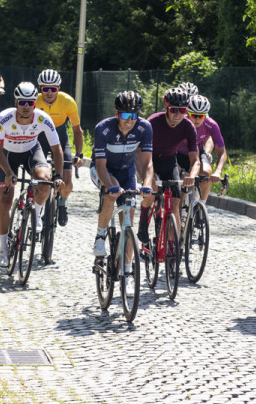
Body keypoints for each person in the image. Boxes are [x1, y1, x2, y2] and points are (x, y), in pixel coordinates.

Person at [90, 91, 153, 297]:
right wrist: (110, 187)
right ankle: (100, 236)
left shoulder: (145, 128)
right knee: (113, 193)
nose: (129, 121)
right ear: (117, 114)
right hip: (104, 169)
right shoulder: (103, 128)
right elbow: (100, 165)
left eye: (133, 116)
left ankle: (126, 269)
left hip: (127, 171)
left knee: (129, 221)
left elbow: (147, 163)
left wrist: (147, 184)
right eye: (125, 116)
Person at [0, 82, 63, 267]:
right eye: (22, 102)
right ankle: (3, 248)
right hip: (8, 155)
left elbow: (56, 149)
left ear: (35, 103)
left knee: (44, 181)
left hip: (32, 150)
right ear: (16, 102)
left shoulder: (43, 119)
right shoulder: (4, 119)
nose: (26, 106)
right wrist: (8, 172)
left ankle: (37, 214)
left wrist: (59, 176)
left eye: (30, 102)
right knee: (6, 201)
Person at [138, 87, 200, 242]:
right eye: (173, 110)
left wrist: (191, 176)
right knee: (151, 190)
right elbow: (140, 153)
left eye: (183, 110)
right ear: (166, 107)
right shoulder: (153, 122)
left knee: (175, 203)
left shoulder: (188, 126)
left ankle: (173, 248)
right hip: (150, 160)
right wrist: (148, 176)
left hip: (170, 162)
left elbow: (196, 159)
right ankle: (143, 220)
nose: (178, 115)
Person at [34, 69, 84, 227]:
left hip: (60, 137)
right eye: (45, 89)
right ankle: (37, 207)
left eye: (53, 89)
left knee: (67, 180)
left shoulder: (68, 102)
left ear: (58, 89)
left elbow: (77, 130)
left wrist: (79, 154)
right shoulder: (34, 100)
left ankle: (62, 203)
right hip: (40, 138)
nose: (49, 92)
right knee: (40, 177)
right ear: (40, 88)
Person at [175, 94, 228, 202]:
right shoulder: (179, 123)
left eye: (202, 116)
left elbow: (222, 153)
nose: (197, 119)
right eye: (194, 115)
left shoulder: (211, 125)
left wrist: (218, 172)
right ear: (187, 113)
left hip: (198, 152)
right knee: (179, 195)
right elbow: (168, 150)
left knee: (206, 173)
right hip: (178, 154)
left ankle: (200, 206)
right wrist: (179, 170)